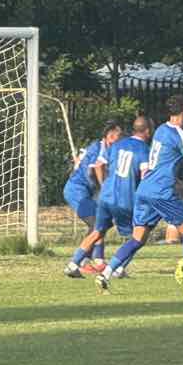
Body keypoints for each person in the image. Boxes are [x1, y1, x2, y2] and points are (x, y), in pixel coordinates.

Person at [97, 94, 183, 294]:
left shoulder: (161, 129)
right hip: (161, 192)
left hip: (144, 190)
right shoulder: (179, 135)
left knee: (138, 239)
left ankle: (105, 274)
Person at [66, 115, 152, 279]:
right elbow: (146, 176)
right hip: (124, 198)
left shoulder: (117, 145)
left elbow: (99, 165)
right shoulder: (144, 150)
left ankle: (73, 264)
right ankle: (118, 269)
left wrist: (104, 185)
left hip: (106, 196)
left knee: (97, 230)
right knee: (138, 236)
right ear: (148, 131)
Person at [63, 121, 121, 261]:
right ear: (110, 136)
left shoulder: (101, 147)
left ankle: (95, 259)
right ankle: (86, 260)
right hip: (76, 191)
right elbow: (93, 169)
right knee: (97, 224)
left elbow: (81, 161)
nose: (121, 140)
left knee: (102, 223)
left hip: (84, 191)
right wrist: (104, 187)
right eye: (119, 136)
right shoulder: (99, 148)